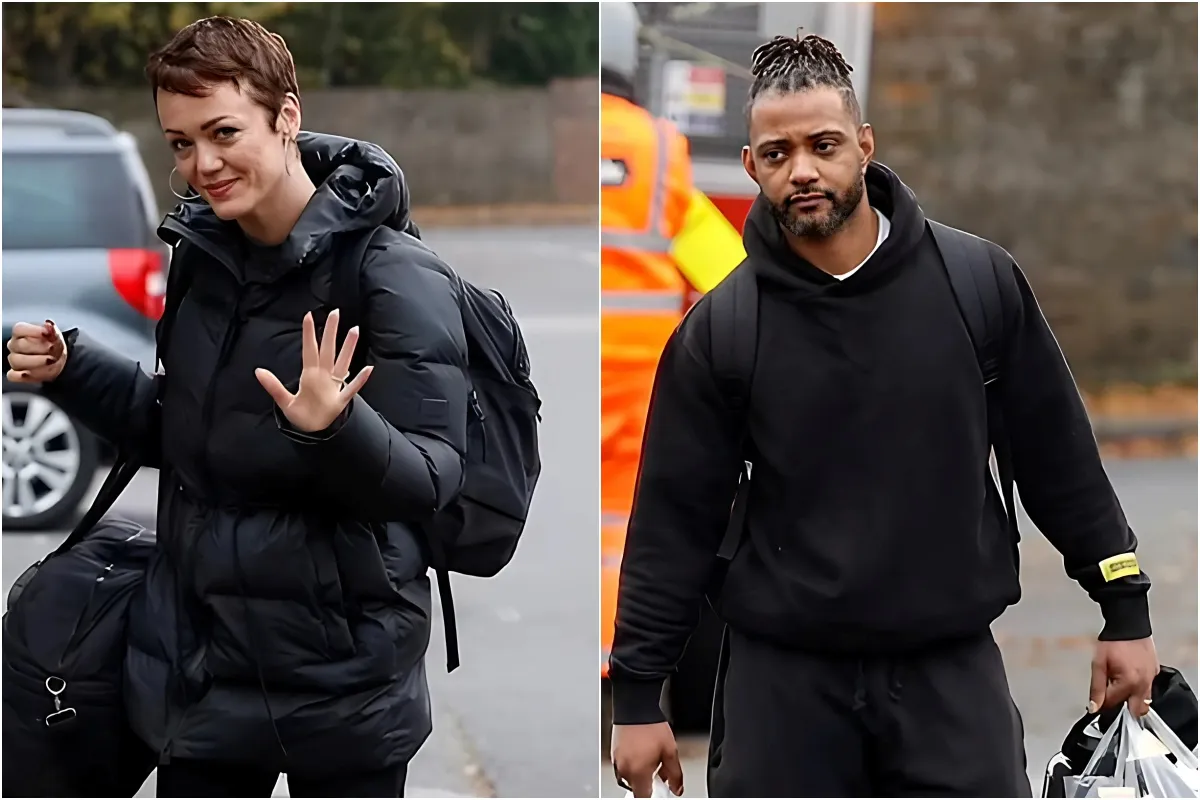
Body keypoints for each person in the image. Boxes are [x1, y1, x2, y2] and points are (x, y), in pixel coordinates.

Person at [607, 32, 1160, 798]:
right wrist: (637, 694)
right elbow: (672, 520)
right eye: (777, 154)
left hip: (947, 674)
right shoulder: (723, 332)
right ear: (750, 167)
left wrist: (1122, 607)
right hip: (783, 689)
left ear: (864, 146)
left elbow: (1056, 455)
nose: (802, 169)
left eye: (824, 145)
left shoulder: (977, 286)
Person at [6, 16, 466, 798]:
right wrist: (72, 370)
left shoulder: (392, 274)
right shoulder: (205, 261)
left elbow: (434, 476)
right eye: (180, 143)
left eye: (222, 132)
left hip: (342, 684)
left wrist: (337, 429)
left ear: (286, 116)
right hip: (203, 670)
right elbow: (187, 434)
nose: (203, 165)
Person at [599, 0, 745, 689]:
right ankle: (623, 666)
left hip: (561, 367)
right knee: (631, 525)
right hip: (643, 373)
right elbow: (723, 269)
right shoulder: (659, 144)